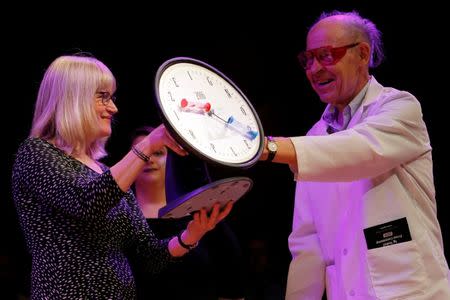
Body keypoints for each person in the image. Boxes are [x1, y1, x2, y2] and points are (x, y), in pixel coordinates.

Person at [259, 10, 450, 300]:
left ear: (362, 54)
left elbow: (357, 150)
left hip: (411, 291)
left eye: (325, 55)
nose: (314, 69)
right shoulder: (315, 137)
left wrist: (267, 147)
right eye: (308, 59)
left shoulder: (399, 107)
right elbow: (308, 244)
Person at [11, 54, 233, 299]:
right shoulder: (35, 153)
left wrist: (191, 235)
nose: (114, 108)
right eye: (102, 96)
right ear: (73, 98)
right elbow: (87, 202)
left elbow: (149, 256)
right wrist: (148, 144)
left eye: (112, 97)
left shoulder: (106, 173)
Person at [128, 125, 246, 300]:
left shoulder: (197, 218)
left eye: (158, 153)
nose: (149, 159)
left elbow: (231, 274)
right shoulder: (119, 219)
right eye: (142, 153)